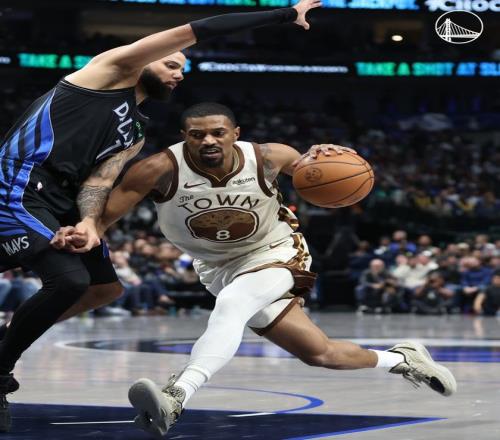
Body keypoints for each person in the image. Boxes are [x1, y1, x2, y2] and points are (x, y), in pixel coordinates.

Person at [0, 0, 321, 431]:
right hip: (19, 182)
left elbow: (99, 182)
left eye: (182, 69)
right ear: (146, 56)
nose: (179, 73)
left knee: (103, 290)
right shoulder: (107, 70)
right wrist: (283, 14)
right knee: (70, 281)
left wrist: (89, 223)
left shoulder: (134, 130)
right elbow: (199, 28)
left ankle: (5, 343)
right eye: (171, 63)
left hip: (61, 200)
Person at [66, 102, 457, 438]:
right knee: (321, 354)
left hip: (275, 251)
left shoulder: (269, 157)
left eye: (218, 133)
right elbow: (103, 218)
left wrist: (324, 154)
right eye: (197, 135)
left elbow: (314, 168)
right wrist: (85, 229)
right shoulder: (157, 169)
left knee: (232, 305)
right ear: (184, 136)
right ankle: (402, 359)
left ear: (235, 133)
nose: (208, 141)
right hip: (216, 266)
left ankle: (177, 395)